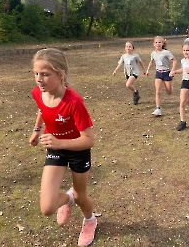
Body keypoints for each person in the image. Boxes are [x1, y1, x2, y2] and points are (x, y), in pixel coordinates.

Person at [29, 48, 97, 247]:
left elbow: (89, 140)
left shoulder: (74, 102)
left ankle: (90, 220)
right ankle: (68, 199)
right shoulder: (38, 93)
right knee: (47, 207)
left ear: (60, 75)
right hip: (56, 149)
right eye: (36, 74)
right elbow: (42, 109)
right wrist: (36, 129)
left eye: (45, 74)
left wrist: (60, 143)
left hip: (78, 150)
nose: (39, 79)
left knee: (80, 195)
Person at [146, 36, 177, 116]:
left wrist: (172, 71)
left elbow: (174, 61)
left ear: (162, 44)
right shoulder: (153, 53)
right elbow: (151, 62)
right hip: (158, 73)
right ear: (153, 44)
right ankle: (158, 109)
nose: (158, 44)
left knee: (169, 92)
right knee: (158, 91)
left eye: (159, 42)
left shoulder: (166, 52)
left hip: (167, 73)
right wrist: (148, 70)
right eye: (156, 42)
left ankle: (170, 88)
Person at [113, 41, 146, 105]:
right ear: (125, 48)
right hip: (127, 73)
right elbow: (120, 64)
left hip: (134, 72)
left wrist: (144, 70)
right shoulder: (123, 56)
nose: (128, 48)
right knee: (130, 85)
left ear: (132, 48)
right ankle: (136, 96)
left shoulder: (135, 56)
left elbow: (141, 63)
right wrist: (115, 71)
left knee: (128, 84)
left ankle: (136, 93)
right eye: (127, 47)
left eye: (130, 46)